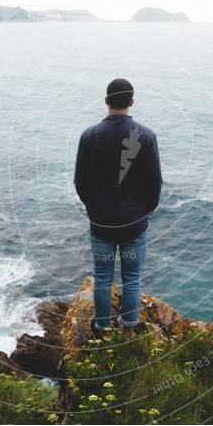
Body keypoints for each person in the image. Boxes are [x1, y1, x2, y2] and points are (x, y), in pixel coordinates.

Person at [74, 78, 163, 339]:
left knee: (102, 277)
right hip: (134, 223)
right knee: (132, 277)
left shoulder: (89, 136)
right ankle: (128, 328)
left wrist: (94, 208)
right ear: (132, 102)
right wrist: (143, 211)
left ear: (106, 101)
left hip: (101, 223)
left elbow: (80, 182)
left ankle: (101, 329)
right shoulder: (146, 136)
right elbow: (154, 182)